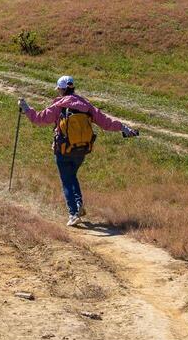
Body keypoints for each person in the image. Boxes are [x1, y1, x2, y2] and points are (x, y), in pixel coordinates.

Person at [20, 76, 140, 227]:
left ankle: (73, 213)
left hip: (63, 149)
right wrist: (125, 128)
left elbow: (38, 119)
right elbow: (106, 122)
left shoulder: (59, 105)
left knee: (66, 180)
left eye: (59, 90)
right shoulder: (86, 105)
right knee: (72, 176)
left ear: (62, 89)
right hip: (82, 149)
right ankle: (78, 204)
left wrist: (25, 108)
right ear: (73, 88)